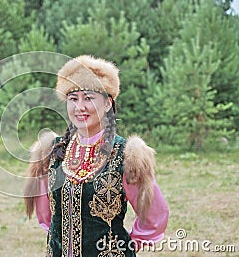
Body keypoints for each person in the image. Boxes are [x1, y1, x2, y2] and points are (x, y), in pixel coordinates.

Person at [24, 55, 169, 257]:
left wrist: (126, 246)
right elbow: (47, 217)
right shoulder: (53, 151)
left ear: (108, 103)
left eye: (89, 98)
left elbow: (154, 215)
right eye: (73, 99)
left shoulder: (126, 155)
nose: (79, 107)